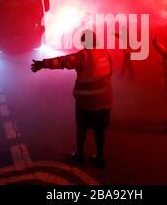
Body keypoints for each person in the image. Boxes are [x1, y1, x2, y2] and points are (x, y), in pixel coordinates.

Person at [31, 30, 113, 167]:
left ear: (84, 42)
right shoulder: (105, 53)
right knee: (100, 130)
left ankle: (79, 155)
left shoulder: (83, 56)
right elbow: (110, 73)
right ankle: (100, 158)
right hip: (105, 100)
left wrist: (43, 64)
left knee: (81, 128)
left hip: (86, 102)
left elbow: (64, 62)